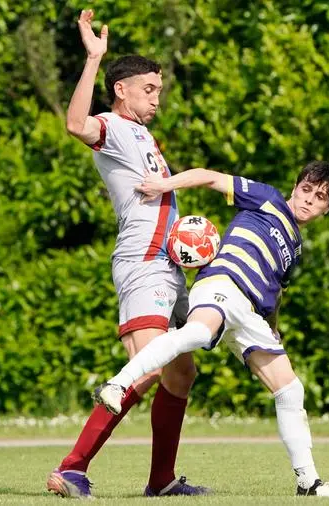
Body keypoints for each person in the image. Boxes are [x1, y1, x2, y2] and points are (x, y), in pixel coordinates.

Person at [94, 161, 329, 497]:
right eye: (306, 189)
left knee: (290, 390)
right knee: (199, 333)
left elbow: (277, 292)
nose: (308, 200)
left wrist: (273, 329)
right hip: (222, 283)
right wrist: (163, 185)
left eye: (319, 198)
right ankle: (117, 384)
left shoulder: (295, 248)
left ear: (328, 208)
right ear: (296, 185)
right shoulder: (267, 199)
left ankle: (309, 483)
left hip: (249, 313)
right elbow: (209, 177)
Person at [46, 9, 208, 498]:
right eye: (149, 89)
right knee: (150, 368)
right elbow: (76, 124)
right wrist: (94, 58)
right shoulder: (113, 127)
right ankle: (72, 467)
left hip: (168, 262)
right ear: (122, 90)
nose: (157, 98)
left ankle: (160, 481)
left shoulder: (142, 134)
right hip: (144, 261)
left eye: (158, 90)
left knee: (182, 371)